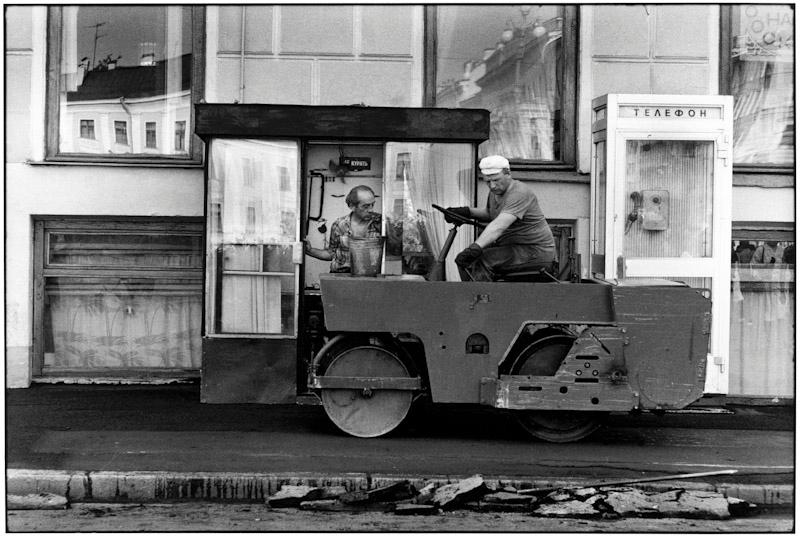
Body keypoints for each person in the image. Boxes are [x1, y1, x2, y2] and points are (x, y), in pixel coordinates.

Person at [446, 155, 555, 281]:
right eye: (488, 181)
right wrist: (466, 211)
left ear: (508, 173)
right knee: (472, 259)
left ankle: (480, 298)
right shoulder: (496, 192)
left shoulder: (519, 193)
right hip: (515, 248)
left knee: (483, 260)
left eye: (496, 180)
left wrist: (475, 247)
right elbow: (490, 213)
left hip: (535, 251)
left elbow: (499, 225)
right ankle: (475, 295)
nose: (492, 186)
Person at [304, 185, 382, 273]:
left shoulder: (380, 223)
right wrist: (310, 250)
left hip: (370, 278)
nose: (371, 209)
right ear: (352, 206)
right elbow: (331, 253)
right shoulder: (340, 225)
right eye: (365, 206)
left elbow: (393, 252)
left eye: (373, 204)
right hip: (341, 277)